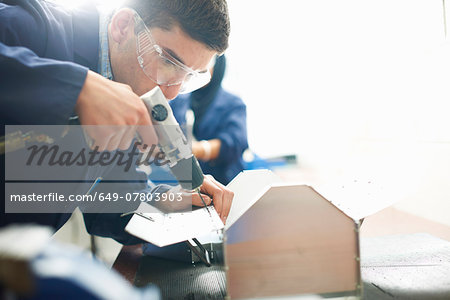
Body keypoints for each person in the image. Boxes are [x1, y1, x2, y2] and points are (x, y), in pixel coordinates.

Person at [0, 0, 234, 242]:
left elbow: (110, 196)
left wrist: (167, 201)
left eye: (187, 78)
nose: (172, 93)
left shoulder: (128, 86)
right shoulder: (37, 28)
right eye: (167, 61)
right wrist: (76, 87)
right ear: (123, 26)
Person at [170, 55, 248, 185]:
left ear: (217, 67)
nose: (197, 71)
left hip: (225, 181)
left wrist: (197, 149)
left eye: (205, 66)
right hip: (183, 184)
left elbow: (236, 142)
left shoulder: (233, 103)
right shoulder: (178, 100)